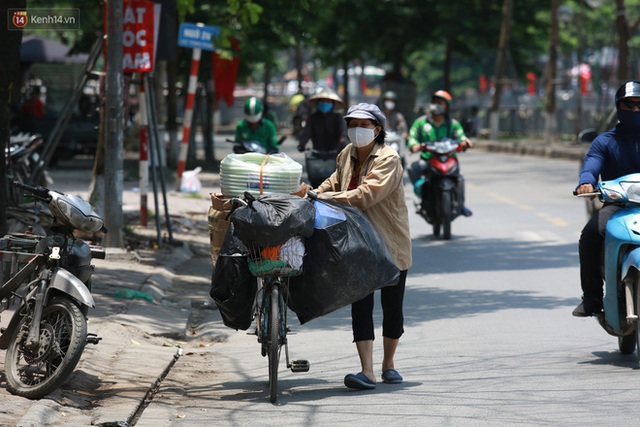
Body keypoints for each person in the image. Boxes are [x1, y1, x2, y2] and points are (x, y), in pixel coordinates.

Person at [314, 103, 412, 390]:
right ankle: (366, 371)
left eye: (364, 125)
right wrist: (314, 193)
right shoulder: (347, 154)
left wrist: (329, 199)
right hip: (356, 241)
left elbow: (367, 194)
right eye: (352, 123)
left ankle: (388, 364)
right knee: (361, 304)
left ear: (377, 129)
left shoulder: (389, 158)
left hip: (389, 241)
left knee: (392, 308)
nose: (357, 129)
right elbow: (335, 181)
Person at [572, 80, 640, 317]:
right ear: (619, 107)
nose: (634, 110)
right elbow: (591, 166)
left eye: (639, 105)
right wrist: (586, 182)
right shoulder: (604, 141)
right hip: (618, 205)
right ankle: (591, 298)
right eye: (629, 104)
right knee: (589, 236)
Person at [406, 89, 473, 217]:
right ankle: (419, 196)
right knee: (411, 168)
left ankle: (461, 205)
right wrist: (414, 144)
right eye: (435, 102)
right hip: (427, 159)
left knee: (461, 178)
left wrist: (465, 142)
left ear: (447, 106)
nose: (436, 105)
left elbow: (461, 136)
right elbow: (412, 136)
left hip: (449, 159)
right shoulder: (421, 122)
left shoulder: (453, 124)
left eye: (440, 103)